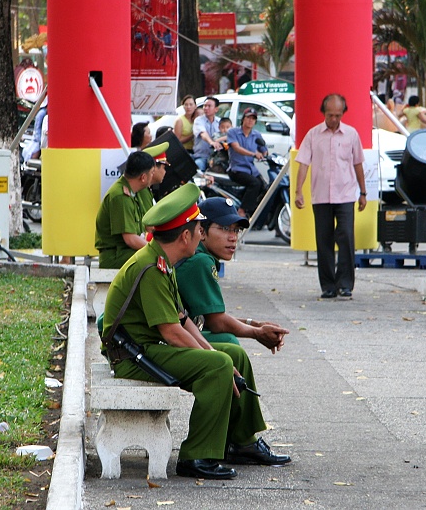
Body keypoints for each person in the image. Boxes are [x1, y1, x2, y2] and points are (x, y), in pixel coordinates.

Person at [102, 183, 290, 480]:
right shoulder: (152, 267)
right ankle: (197, 455)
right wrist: (215, 359)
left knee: (232, 355)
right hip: (132, 355)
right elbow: (173, 332)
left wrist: (213, 351)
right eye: (200, 230)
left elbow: (184, 319)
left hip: (146, 348)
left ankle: (241, 442)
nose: (201, 235)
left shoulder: (162, 261)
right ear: (186, 235)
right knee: (219, 365)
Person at [176, 197, 289, 350]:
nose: (233, 237)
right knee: (229, 343)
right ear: (201, 232)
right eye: (225, 228)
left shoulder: (200, 256)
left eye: (236, 230)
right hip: (166, 339)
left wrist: (254, 324)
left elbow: (209, 317)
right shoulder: (200, 261)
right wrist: (257, 333)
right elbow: (217, 323)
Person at [294, 93, 367, 299]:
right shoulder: (313, 135)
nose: (333, 119)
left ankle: (345, 284)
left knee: (346, 238)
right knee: (324, 240)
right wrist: (299, 191)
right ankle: (327, 285)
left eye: (337, 115)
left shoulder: (351, 134)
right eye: (329, 115)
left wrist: (363, 193)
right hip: (321, 196)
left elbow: (358, 164)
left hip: (345, 195)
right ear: (323, 113)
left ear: (343, 113)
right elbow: (303, 164)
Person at [95, 151, 156, 269]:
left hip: (124, 252)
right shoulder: (120, 197)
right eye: (152, 173)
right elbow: (130, 239)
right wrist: (156, 251)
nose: (153, 176)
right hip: (116, 256)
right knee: (156, 260)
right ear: (143, 177)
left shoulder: (132, 191)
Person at [226, 108, 267, 218]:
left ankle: (255, 213)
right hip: (237, 169)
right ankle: (242, 210)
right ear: (243, 118)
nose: (250, 121)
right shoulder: (233, 132)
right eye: (248, 117)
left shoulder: (256, 135)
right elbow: (237, 148)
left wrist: (265, 153)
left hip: (251, 169)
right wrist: (254, 154)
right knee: (255, 184)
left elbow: (264, 149)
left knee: (265, 187)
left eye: (253, 119)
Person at [192, 96, 221, 171]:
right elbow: (203, 134)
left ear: (216, 109)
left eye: (209, 106)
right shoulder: (198, 120)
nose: (206, 108)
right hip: (202, 156)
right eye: (205, 106)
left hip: (217, 157)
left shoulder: (220, 122)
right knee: (199, 168)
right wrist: (212, 142)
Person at [23, 97, 48, 162]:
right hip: (39, 140)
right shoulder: (42, 113)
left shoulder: (44, 113)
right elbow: (37, 128)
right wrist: (39, 141)